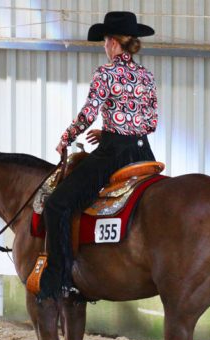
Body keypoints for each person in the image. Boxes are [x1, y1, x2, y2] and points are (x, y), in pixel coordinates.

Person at [39, 11, 159, 300]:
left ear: (116, 44)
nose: (104, 45)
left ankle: (59, 279)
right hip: (142, 153)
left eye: (106, 40)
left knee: (56, 205)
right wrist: (115, 129)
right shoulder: (146, 75)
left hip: (113, 155)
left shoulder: (105, 74)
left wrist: (66, 138)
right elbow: (151, 122)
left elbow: (89, 113)